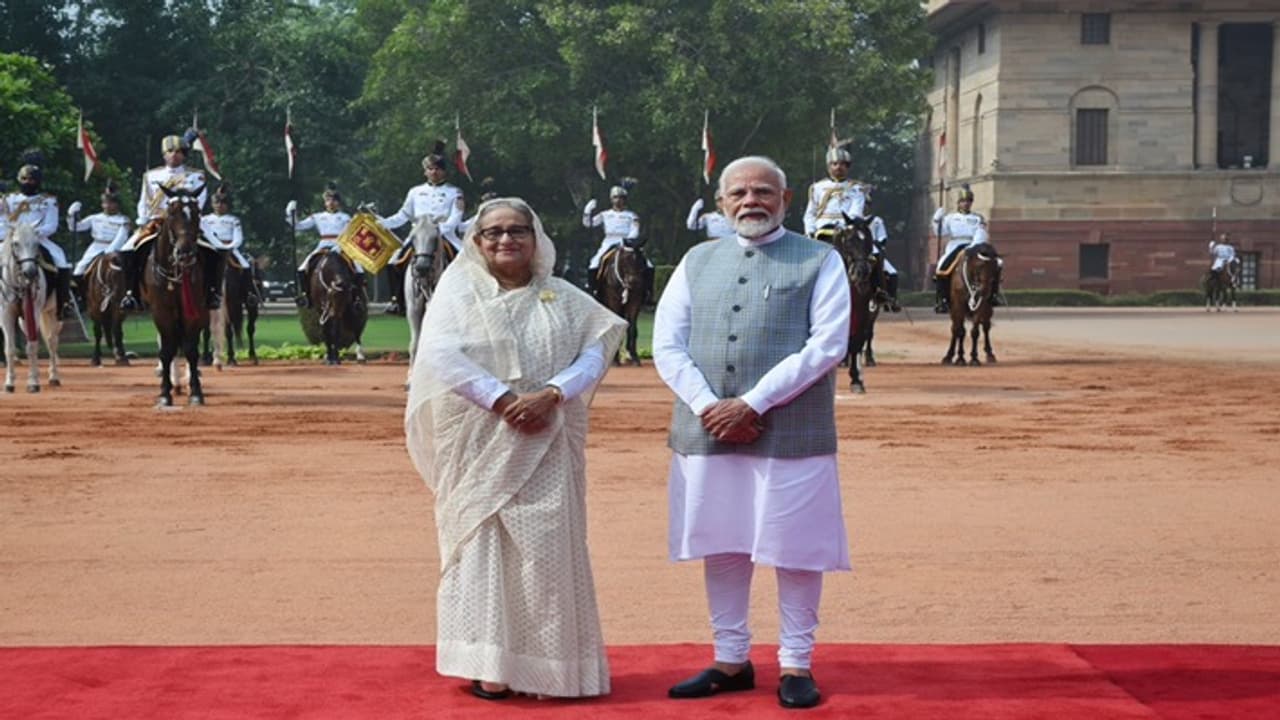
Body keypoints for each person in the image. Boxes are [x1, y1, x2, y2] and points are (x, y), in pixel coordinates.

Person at [405, 197, 626, 700]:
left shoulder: (564, 296)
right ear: (477, 242)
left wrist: (551, 395)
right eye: (494, 232)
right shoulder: (458, 294)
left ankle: (552, 670)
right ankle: (491, 668)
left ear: (536, 236)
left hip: (547, 436)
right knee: (482, 547)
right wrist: (504, 401)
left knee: (547, 551)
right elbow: (439, 355)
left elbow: (597, 349)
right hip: (480, 438)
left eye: (517, 230)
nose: (506, 240)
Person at [653, 156, 851, 710]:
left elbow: (828, 346)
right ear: (721, 203)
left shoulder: (820, 258)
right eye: (738, 192)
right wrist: (708, 406)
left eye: (763, 191)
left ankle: (795, 663)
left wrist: (752, 403)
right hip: (707, 429)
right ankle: (730, 659)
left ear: (785, 200)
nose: (750, 201)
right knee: (724, 543)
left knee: (796, 549)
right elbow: (668, 344)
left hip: (792, 432)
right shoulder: (695, 261)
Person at [118, 132, 217, 310]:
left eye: (178, 151)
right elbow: (144, 200)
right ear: (164, 155)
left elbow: (200, 200)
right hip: (157, 221)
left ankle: (212, 291)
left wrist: (188, 217)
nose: (174, 155)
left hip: (188, 222)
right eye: (170, 151)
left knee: (215, 250)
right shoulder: (151, 176)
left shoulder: (196, 176)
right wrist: (143, 218)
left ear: (184, 155)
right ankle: (131, 293)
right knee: (126, 250)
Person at [379, 142, 464, 315]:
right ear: (425, 171)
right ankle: (396, 300)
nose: (434, 172)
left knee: (464, 259)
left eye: (437, 169)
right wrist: (382, 222)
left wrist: (441, 228)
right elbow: (403, 215)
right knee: (393, 262)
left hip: (443, 233)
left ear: (444, 171)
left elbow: (456, 216)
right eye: (430, 169)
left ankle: (464, 299)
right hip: (418, 234)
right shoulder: (415, 192)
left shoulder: (454, 192)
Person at [6, 152, 72, 317]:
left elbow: (51, 225)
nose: (28, 182)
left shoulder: (48, 200)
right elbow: (2, 221)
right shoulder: (8, 199)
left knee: (61, 260)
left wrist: (32, 233)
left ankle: (63, 304)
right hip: (13, 238)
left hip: (39, 239)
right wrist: (12, 234)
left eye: (32, 180)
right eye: (25, 179)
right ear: (19, 180)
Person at [289, 183, 359, 308]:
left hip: (341, 246)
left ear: (338, 203)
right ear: (325, 203)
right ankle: (307, 296)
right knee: (302, 269)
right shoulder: (318, 217)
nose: (331, 203)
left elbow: (350, 234)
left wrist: (340, 245)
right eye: (328, 200)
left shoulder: (345, 217)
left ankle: (356, 298)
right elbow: (299, 226)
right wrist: (291, 214)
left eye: (334, 200)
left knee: (358, 268)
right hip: (323, 245)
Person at [582, 183, 652, 302]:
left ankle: (648, 291)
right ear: (611, 199)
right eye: (615, 197)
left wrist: (628, 242)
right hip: (609, 241)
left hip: (627, 242)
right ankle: (592, 289)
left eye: (621, 197)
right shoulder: (605, 214)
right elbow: (589, 224)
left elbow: (635, 230)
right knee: (594, 263)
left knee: (649, 265)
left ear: (624, 200)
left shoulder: (631, 215)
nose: (618, 200)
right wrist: (587, 211)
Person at [68, 183, 132, 302]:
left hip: (114, 248)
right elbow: (75, 227)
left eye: (111, 203)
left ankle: (128, 296)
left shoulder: (123, 220)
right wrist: (72, 215)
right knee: (80, 267)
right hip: (96, 246)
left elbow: (121, 238)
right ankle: (78, 296)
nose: (107, 206)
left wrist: (109, 252)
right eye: (105, 203)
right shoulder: (95, 218)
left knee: (125, 269)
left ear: (117, 204)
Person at [930, 185, 987, 313]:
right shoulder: (951, 218)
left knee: (992, 263)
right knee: (942, 267)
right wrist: (936, 220)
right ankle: (943, 300)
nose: (966, 204)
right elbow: (940, 232)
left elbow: (981, 232)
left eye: (968, 201)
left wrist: (974, 245)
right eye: (963, 201)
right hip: (955, 245)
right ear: (959, 203)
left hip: (973, 244)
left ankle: (992, 295)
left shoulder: (978, 218)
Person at [802, 146, 867, 240]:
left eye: (842, 164)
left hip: (847, 228)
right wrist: (810, 231)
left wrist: (845, 224)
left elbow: (856, 211)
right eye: (835, 164)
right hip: (821, 228)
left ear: (847, 167)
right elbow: (810, 213)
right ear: (829, 167)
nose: (838, 167)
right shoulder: (817, 187)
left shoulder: (856, 188)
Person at [866, 200, 901, 312]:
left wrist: (878, 243)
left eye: (867, 205)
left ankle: (891, 298)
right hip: (858, 251)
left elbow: (882, 237)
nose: (865, 207)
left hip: (873, 249)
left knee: (893, 273)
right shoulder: (853, 220)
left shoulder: (876, 220)